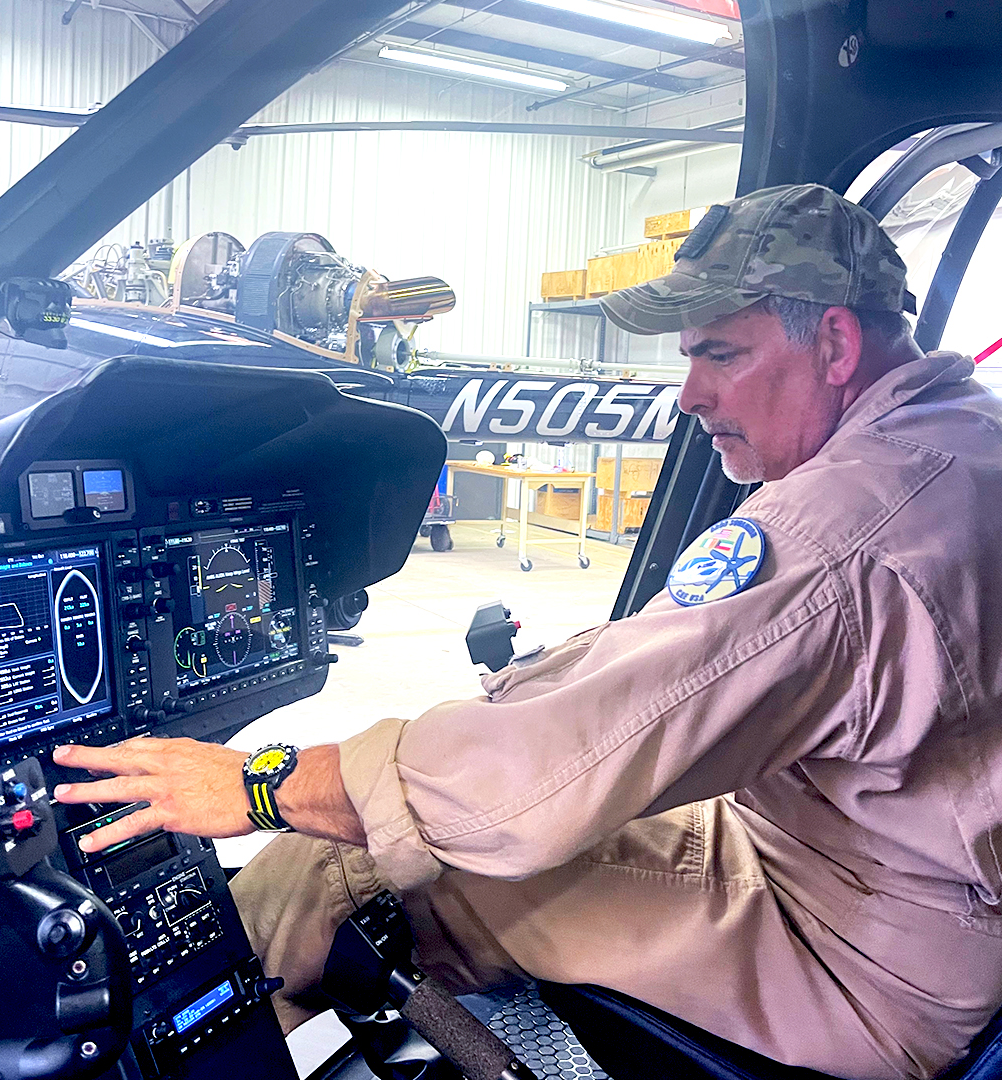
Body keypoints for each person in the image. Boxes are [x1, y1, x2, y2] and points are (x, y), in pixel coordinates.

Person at [50, 184, 1002, 1080]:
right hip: (911, 888)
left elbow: (536, 786)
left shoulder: (841, 530)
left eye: (720, 354)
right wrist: (509, 703)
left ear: (834, 342)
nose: (688, 396)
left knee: (348, 850)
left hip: (861, 953)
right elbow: (684, 664)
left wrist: (263, 784)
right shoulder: (962, 443)